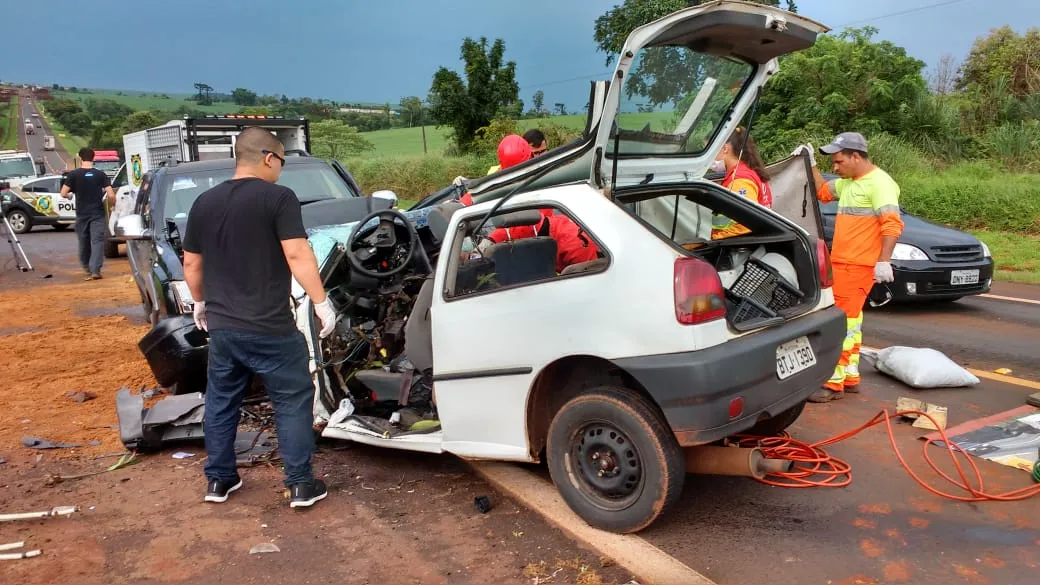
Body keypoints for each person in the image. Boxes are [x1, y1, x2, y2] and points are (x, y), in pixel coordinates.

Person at [181, 127, 337, 507]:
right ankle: (300, 484)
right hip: (272, 328)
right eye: (281, 162)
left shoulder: (204, 203)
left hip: (224, 330)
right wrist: (320, 302)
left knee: (221, 402)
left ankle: (218, 482)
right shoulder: (278, 199)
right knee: (292, 399)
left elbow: (191, 262)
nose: (281, 170)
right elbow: (298, 253)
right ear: (269, 157)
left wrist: (200, 302)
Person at [795, 132, 904, 402]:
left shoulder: (880, 184)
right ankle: (851, 375)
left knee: (841, 323)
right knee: (852, 322)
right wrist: (811, 165)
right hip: (844, 263)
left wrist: (883, 260)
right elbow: (822, 192)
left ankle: (832, 382)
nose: (836, 167)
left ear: (856, 157)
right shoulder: (849, 183)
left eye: (839, 161)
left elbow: (892, 224)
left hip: (857, 266)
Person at [60, 148, 116, 280]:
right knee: (97, 241)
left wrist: (69, 196)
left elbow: (63, 193)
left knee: (83, 241)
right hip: (97, 212)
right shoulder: (100, 174)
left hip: (82, 213)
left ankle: (87, 266)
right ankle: (95, 270)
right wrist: (113, 205)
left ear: (80, 158)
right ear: (93, 158)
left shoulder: (74, 175)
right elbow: (111, 194)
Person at [710, 127, 773, 240]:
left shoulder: (740, 180)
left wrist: (713, 241)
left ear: (725, 148)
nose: (710, 158)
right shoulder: (751, 171)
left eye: (712, 152)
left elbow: (745, 226)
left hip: (739, 248)